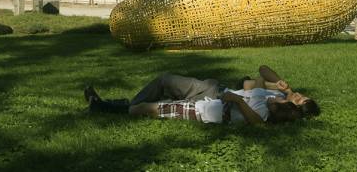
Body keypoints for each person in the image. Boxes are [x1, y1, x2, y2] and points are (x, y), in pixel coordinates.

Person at [84, 65, 319, 125]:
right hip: (213, 92)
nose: (298, 95)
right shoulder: (277, 94)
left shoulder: (274, 108)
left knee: (155, 103)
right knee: (164, 82)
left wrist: (277, 94)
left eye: (300, 100)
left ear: (295, 109)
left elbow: (255, 111)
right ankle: (115, 106)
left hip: (212, 101)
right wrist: (282, 88)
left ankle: (111, 106)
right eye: (301, 95)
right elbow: (257, 76)